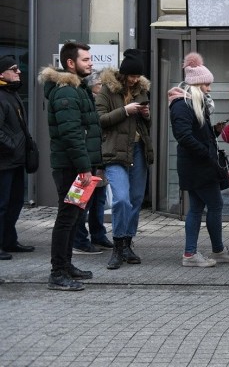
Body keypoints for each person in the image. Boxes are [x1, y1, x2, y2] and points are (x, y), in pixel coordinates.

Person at [168, 52, 229, 268]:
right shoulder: (183, 105)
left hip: (197, 164)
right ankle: (214, 250)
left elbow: (192, 133)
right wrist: (205, 151)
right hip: (198, 165)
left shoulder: (193, 103)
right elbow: (183, 135)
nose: (209, 89)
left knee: (197, 208)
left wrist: (214, 132)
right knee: (215, 204)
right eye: (206, 85)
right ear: (196, 84)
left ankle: (192, 253)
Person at [39, 42, 103, 291]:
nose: (91, 63)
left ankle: (66, 266)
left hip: (77, 165)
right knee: (67, 218)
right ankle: (57, 272)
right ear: (70, 63)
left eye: (90, 59)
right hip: (71, 167)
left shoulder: (77, 88)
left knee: (74, 216)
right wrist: (85, 168)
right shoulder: (66, 91)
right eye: (86, 60)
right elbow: (72, 134)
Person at [96, 50, 154, 270]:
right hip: (115, 152)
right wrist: (125, 110)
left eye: (138, 75)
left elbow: (145, 126)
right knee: (121, 199)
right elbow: (100, 120)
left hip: (138, 149)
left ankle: (128, 244)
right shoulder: (107, 90)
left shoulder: (142, 89)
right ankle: (117, 247)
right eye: (132, 75)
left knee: (136, 199)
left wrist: (146, 115)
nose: (135, 79)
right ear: (123, 74)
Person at [0, 55, 36, 260]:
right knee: (2, 204)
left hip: (15, 160)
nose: (18, 71)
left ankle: (9, 240)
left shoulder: (11, 94)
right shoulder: (1, 96)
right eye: (13, 69)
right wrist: (13, 146)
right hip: (4, 162)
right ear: (2, 73)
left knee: (15, 203)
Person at [72, 71, 111, 256]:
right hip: (86, 160)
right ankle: (79, 240)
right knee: (81, 202)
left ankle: (98, 235)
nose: (103, 87)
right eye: (99, 84)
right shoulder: (85, 103)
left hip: (99, 158)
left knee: (98, 200)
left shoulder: (101, 102)